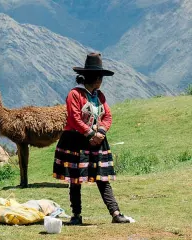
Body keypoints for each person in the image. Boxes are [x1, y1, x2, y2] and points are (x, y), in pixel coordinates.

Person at [52, 52, 132, 225]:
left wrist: (101, 133)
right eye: (99, 77)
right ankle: (76, 215)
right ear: (93, 78)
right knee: (75, 180)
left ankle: (116, 213)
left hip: (96, 141)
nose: (101, 81)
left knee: (101, 178)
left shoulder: (99, 96)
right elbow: (74, 118)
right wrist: (90, 134)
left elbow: (107, 116)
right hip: (76, 140)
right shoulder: (75, 94)